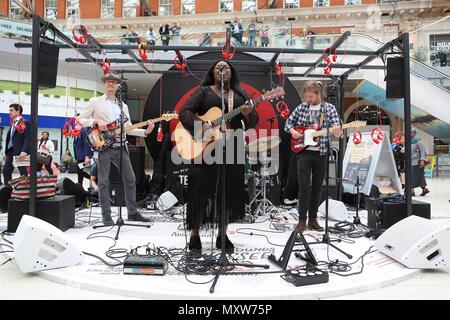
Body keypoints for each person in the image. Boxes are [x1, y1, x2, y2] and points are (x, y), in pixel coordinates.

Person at [179, 60, 258, 255]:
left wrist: (248, 114)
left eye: (226, 68)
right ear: (213, 73)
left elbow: (253, 121)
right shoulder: (204, 91)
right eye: (218, 68)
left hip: (232, 147)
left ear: (232, 72)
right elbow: (184, 111)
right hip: (205, 148)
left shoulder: (240, 95)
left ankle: (222, 235)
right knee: (199, 191)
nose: (222, 70)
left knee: (228, 191)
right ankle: (195, 235)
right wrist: (201, 125)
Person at [78, 72, 155, 226]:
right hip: (103, 148)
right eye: (108, 82)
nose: (111, 84)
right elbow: (81, 120)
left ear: (118, 85)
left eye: (114, 82)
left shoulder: (123, 106)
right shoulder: (95, 101)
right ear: (104, 84)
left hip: (121, 147)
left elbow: (127, 128)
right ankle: (106, 216)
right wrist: (95, 121)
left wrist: (145, 131)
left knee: (130, 179)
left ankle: (132, 212)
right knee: (104, 182)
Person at [284, 81, 342, 232]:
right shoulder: (302, 107)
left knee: (317, 187)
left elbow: (337, 131)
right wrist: (293, 131)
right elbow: (288, 123)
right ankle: (301, 219)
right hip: (303, 152)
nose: (308, 99)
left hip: (321, 153)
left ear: (318, 94)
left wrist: (338, 131)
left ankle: (313, 219)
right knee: (303, 187)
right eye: (306, 96)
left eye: (310, 96)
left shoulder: (329, 109)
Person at [3, 104, 30, 186]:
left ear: (18, 111)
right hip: (10, 151)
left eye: (11, 110)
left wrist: (24, 151)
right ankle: (7, 189)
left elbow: (28, 138)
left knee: (23, 172)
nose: (9, 112)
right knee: (6, 170)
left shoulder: (25, 122)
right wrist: (6, 152)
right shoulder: (13, 123)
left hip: (20, 152)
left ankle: (26, 189)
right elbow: (10, 138)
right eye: (9, 110)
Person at [411, 127, 430, 196]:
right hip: (410, 161)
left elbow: (422, 151)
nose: (410, 133)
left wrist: (422, 160)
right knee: (418, 176)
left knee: (412, 176)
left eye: (412, 132)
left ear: (414, 133)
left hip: (417, 162)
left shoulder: (418, 141)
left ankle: (412, 192)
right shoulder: (408, 140)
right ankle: (424, 190)